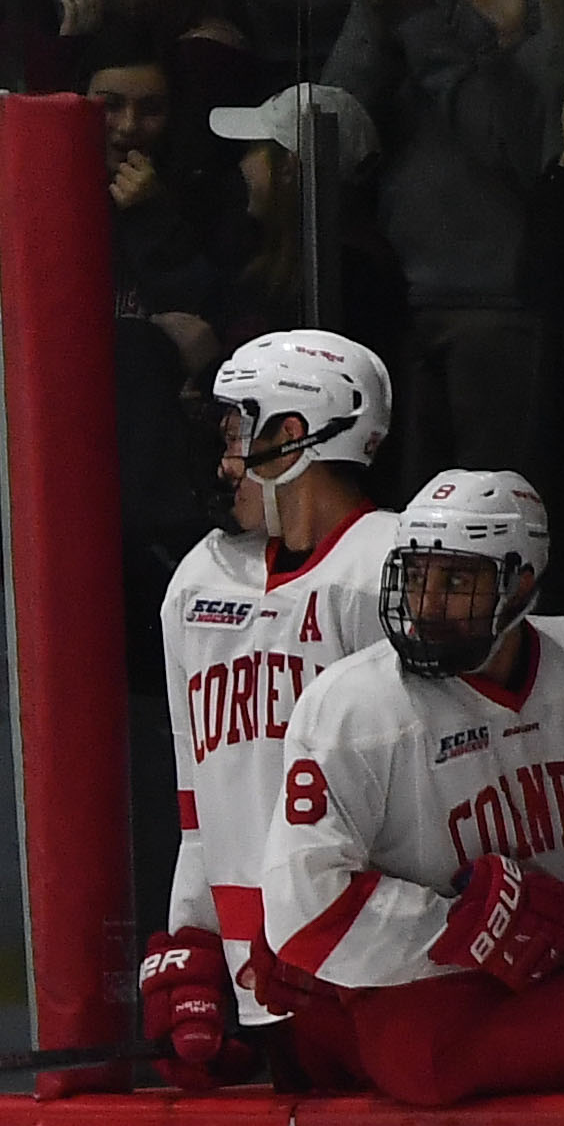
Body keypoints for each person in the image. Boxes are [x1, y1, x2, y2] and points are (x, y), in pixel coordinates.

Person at [257, 471, 564, 1103]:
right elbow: (303, 911)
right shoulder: (353, 709)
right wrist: (458, 927)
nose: (427, 603)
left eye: (457, 581)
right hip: (459, 1011)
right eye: (417, 576)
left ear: (524, 583)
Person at [140, 330, 409, 1086]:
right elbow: (201, 800)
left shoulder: (388, 571)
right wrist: (191, 949)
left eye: (237, 435)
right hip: (266, 986)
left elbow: (432, 794)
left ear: (292, 438)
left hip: (384, 977)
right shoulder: (199, 582)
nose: (225, 464)